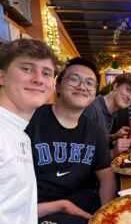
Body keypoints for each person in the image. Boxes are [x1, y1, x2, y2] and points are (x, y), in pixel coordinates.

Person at [25, 57, 116, 224]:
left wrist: (107, 215)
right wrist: (61, 206)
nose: (82, 86)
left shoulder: (95, 131)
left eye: (90, 83)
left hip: (84, 202)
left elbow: (107, 178)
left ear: (95, 92)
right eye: (74, 79)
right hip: (39, 209)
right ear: (58, 85)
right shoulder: (31, 120)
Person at [0, 39, 59, 224]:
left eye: (46, 73)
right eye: (27, 69)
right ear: (2, 77)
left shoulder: (20, 134)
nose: (38, 79)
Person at [83, 73, 131, 154]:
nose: (130, 97)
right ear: (115, 86)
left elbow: (96, 141)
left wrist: (114, 136)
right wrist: (114, 152)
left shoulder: (110, 110)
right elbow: (83, 157)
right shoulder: (91, 110)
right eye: (128, 90)